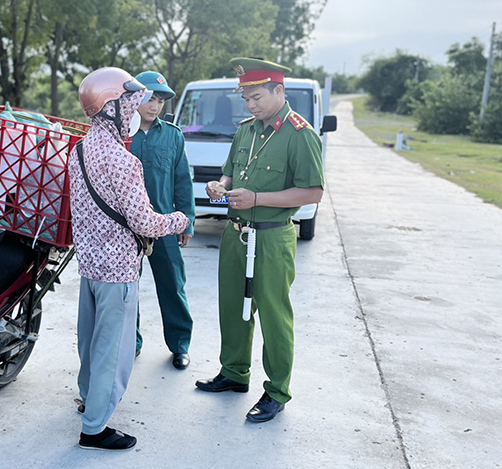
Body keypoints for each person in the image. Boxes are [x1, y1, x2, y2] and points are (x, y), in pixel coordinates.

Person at [195, 58, 324, 423]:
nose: (250, 106)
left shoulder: (300, 134)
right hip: (236, 235)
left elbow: (312, 193)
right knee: (232, 307)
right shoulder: (247, 130)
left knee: (273, 314)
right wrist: (220, 186)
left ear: (278, 91)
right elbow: (230, 172)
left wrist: (258, 199)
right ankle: (234, 373)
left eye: (256, 98)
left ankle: (276, 391)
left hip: (271, 237)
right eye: (246, 100)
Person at [69, 67, 190, 450]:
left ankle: (89, 398)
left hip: (89, 264)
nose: (135, 112)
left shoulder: (80, 149)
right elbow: (144, 222)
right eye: (130, 104)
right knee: (112, 350)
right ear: (110, 108)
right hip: (118, 269)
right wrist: (179, 219)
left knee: (89, 342)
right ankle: (94, 428)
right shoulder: (123, 160)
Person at [130, 70, 196, 369]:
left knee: (173, 286)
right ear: (134, 98)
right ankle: (130, 342)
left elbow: (183, 181)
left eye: (160, 100)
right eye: (149, 98)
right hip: (126, 227)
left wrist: (187, 220)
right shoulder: (121, 134)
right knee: (127, 289)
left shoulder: (172, 135)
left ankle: (180, 344)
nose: (155, 105)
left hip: (164, 225)